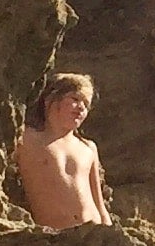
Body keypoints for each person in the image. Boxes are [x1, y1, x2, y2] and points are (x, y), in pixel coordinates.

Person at [15, 73, 110, 230]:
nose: (81, 107)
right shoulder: (26, 139)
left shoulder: (88, 148)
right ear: (49, 100)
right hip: (56, 239)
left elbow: (100, 205)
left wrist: (109, 234)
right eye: (74, 99)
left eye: (86, 104)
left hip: (93, 234)